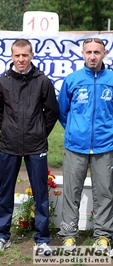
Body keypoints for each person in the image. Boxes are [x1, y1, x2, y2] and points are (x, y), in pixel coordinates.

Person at [0, 38, 59, 255]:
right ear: (12, 56)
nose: (21, 59)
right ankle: (2, 236)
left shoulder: (43, 81)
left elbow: (52, 112)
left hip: (36, 145)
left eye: (25, 55)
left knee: (40, 193)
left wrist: (38, 132)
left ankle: (42, 239)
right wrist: (10, 130)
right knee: (5, 191)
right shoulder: (2, 82)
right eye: (17, 55)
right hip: (9, 144)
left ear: (31, 55)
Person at [57, 37, 113, 252]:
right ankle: (69, 234)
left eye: (96, 52)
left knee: (105, 192)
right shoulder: (72, 80)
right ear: (82, 53)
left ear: (104, 54)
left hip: (105, 146)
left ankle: (103, 236)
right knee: (72, 192)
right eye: (88, 52)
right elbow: (62, 112)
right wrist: (75, 131)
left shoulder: (111, 79)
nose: (92, 56)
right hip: (75, 146)